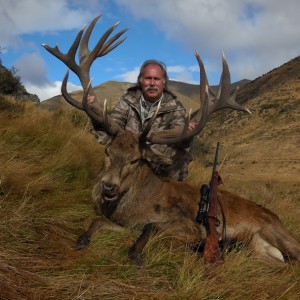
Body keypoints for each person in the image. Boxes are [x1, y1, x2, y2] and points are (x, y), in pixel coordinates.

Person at [88, 59, 194, 181]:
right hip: (129, 159)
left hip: (161, 166)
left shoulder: (175, 107)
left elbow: (181, 142)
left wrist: (188, 134)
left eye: (157, 79)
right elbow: (113, 128)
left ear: (163, 82)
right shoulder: (128, 100)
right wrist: (96, 112)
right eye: (148, 78)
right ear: (141, 81)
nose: (152, 83)